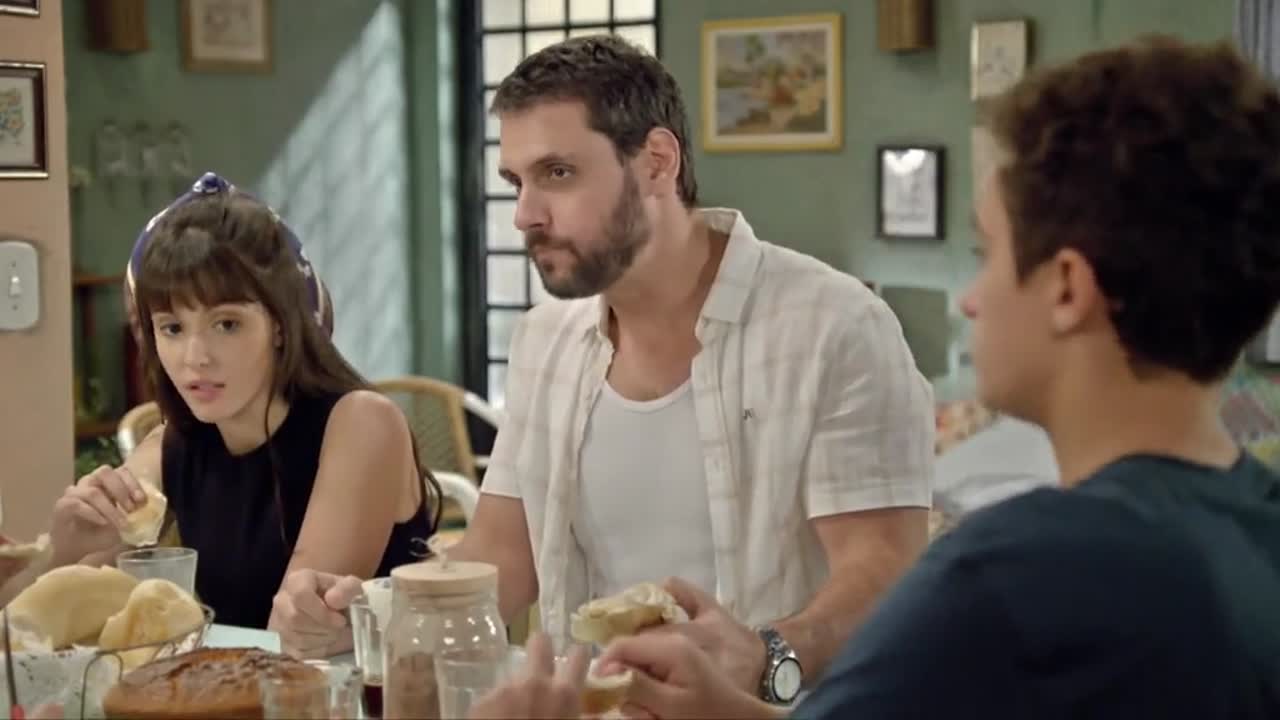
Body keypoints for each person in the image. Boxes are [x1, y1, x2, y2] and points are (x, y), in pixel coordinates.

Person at [469, 35, 1280, 719]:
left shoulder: (1010, 573)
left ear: (1067, 288)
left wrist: (763, 663)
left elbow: (874, 593)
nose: (968, 297)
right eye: (515, 183)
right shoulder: (1257, 528)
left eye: (987, 252)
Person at [274, 33, 935, 698]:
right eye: (516, 182)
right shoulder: (544, 341)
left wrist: (766, 657)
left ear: (656, 163)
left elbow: (884, 573)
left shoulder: (834, 327)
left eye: (557, 173)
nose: (525, 216)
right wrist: (360, 616)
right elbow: (501, 558)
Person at [47, 172, 440, 652]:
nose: (195, 357)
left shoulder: (361, 424)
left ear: (281, 324)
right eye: (172, 328)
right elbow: (54, 623)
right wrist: (65, 553)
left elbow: (290, 634)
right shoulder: (170, 445)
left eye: (227, 324)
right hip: (249, 686)